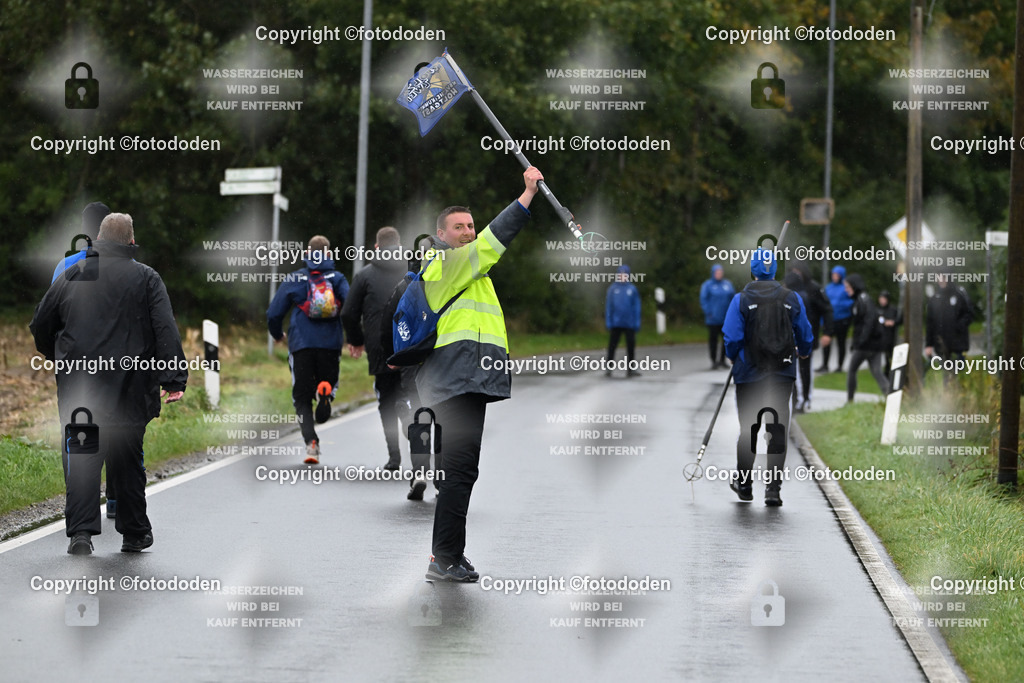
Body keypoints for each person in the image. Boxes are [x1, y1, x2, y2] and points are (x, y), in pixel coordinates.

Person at [31, 212, 187, 555]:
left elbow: (41, 321)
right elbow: (165, 328)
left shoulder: (74, 273)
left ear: (97, 238)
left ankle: (82, 534)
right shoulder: (146, 278)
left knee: (83, 457)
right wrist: (173, 377)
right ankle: (134, 533)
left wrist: (56, 355)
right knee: (127, 461)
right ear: (131, 241)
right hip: (129, 388)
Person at [419, 166, 544, 582]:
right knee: (458, 471)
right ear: (442, 233)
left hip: (463, 382)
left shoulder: (471, 271)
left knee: (460, 471)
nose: (469, 232)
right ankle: (443, 559)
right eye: (459, 227)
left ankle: (452, 552)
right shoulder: (443, 263)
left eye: (471, 225)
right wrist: (527, 195)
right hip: (454, 382)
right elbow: (496, 240)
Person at [723, 248, 813, 507]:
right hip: (781, 373)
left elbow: (732, 337)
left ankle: (744, 484)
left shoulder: (740, 299)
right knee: (776, 430)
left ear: (752, 269)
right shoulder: (791, 298)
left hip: (749, 374)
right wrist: (804, 352)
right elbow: (805, 333)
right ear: (775, 270)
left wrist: (733, 355)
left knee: (749, 429)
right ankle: (773, 490)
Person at [50, 202, 123, 520]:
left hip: (74, 364)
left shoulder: (65, 265)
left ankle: (80, 505)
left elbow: (49, 315)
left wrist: (55, 353)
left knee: (77, 428)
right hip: (116, 363)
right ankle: (118, 500)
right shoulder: (126, 266)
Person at [340, 227, 416, 476]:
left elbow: (349, 313)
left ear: (376, 246)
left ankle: (394, 458)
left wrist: (356, 340)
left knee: (385, 399)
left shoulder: (365, 275)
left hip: (378, 344)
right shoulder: (413, 267)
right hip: (410, 341)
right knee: (410, 393)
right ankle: (416, 444)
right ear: (399, 244)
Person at [267, 236, 350, 465]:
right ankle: (326, 392)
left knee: (301, 397)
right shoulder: (338, 278)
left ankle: (311, 443)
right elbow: (351, 306)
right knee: (328, 381)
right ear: (328, 254)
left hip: (301, 344)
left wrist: (278, 335)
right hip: (330, 344)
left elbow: (273, 313)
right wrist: (352, 336)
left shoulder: (295, 278)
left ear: (307, 253)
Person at [786, 264, 833, 412]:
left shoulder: (813, 289)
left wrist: (828, 332)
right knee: (793, 370)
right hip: (790, 337)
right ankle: (795, 400)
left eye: (798, 272)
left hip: (807, 334)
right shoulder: (788, 289)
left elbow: (827, 310)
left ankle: (805, 399)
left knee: (805, 370)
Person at [844, 273, 891, 401]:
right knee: (877, 372)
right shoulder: (862, 299)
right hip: (874, 343)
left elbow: (868, 322)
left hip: (866, 344)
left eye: (847, 286)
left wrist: (860, 341)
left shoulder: (863, 300)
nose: (846, 289)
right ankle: (891, 398)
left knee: (852, 370)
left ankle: (850, 400)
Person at [925, 274, 973, 368]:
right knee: (946, 375)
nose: (941, 280)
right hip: (941, 346)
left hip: (957, 345)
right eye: (938, 278)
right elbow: (930, 323)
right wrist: (929, 344)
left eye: (943, 277)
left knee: (957, 374)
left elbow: (969, 313)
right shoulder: (934, 298)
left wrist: (958, 326)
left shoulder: (959, 294)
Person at [605, 264, 642, 377]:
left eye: (624, 274)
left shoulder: (632, 289)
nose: (622, 276)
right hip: (616, 323)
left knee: (630, 346)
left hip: (629, 323)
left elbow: (636, 307)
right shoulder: (613, 289)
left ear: (628, 275)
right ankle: (609, 368)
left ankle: (630, 369)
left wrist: (636, 322)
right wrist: (609, 321)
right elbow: (609, 307)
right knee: (612, 346)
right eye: (620, 274)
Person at [700, 264, 734, 369]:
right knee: (713, 340)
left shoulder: (727, 284)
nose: (719, 274)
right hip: (713, 319)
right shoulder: (708, 285)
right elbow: (703, 300)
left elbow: (733, 299)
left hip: (725, 318)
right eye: (717, 272)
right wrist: (709, 312)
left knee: (726, 340)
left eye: (720, 272)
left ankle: (722, 360)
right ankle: (714, 361)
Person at [819, 265, 853, 372]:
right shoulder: (829, 287)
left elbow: (852, 301)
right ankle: (825, 365)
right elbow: (823, 303)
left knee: (841, 343)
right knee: (826, 341)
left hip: (842, 319)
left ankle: (839, 366)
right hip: (829, 320)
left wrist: (841, 306)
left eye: (837, 275)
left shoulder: (846, 287)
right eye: (833, 274)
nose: (835, 277)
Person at [877, 290, 902, 375]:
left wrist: (893, 322)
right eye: (881, 299)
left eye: (883, 299)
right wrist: (883, 322)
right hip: (881, 335)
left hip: (891, 335)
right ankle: (884, 371)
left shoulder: (893, 309)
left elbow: (899, 319)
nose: (882, 301)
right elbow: (878, 319)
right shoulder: (879, 310)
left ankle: (890, 370)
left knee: (890, 354)